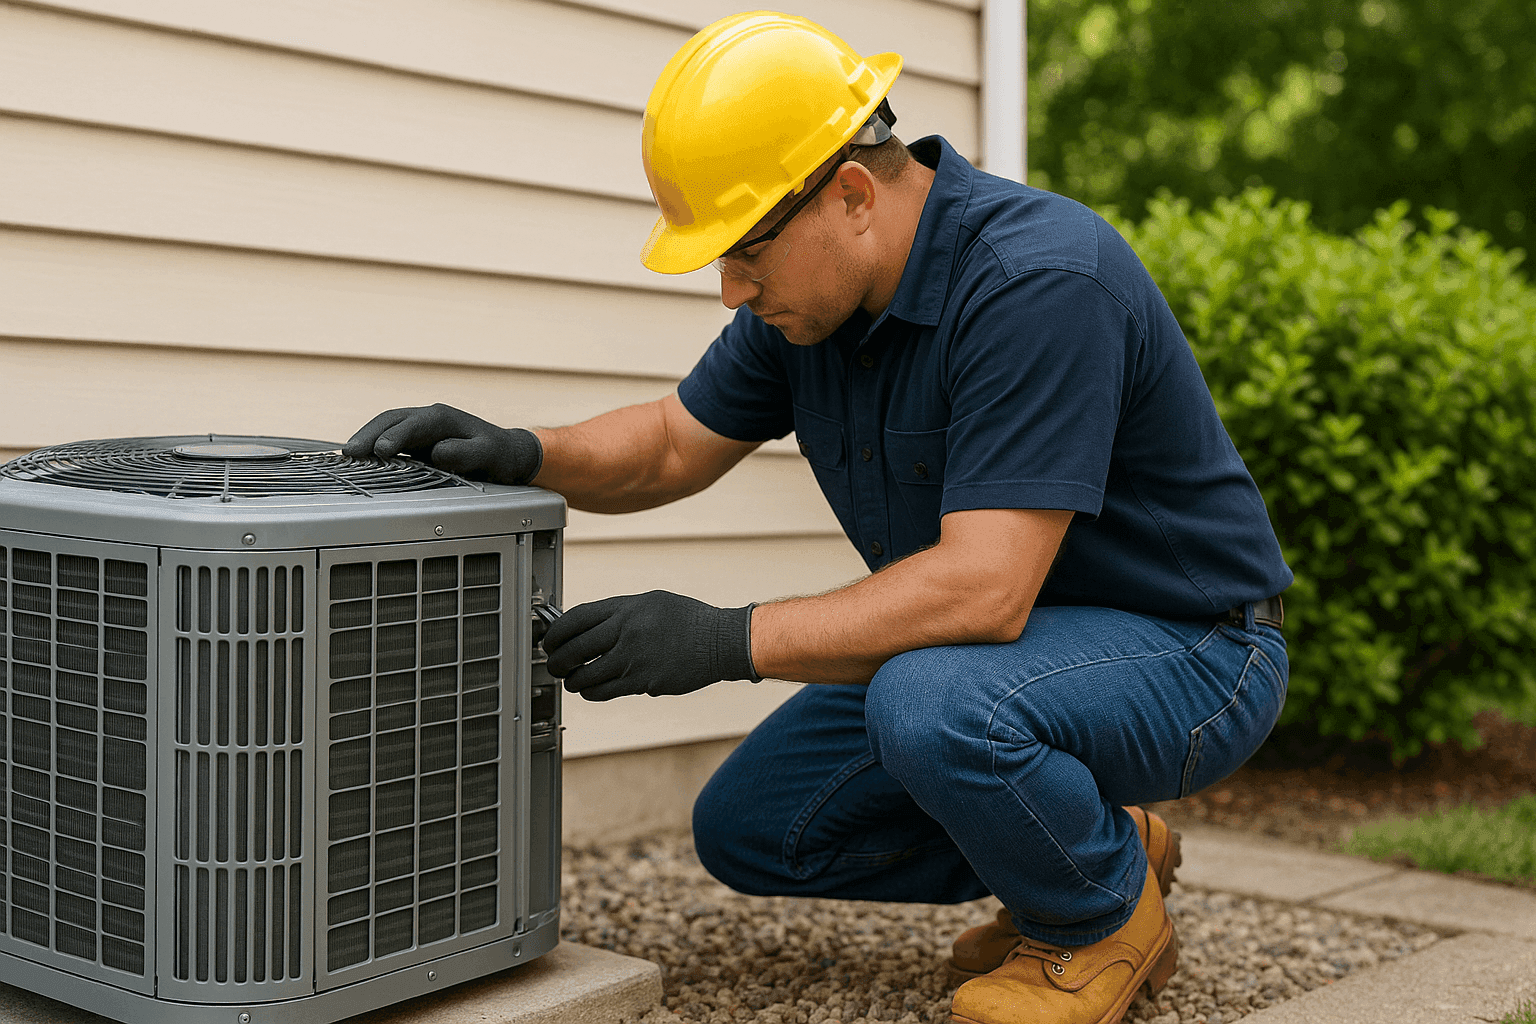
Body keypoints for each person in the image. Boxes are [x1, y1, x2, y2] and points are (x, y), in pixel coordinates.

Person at [344, 12, 1291, 1024]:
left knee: (928, 703)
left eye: (745, 252)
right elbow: (671, 441)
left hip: (1189, 648)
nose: (727, 290)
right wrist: (521, 452)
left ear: (848, 194)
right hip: (1000, 654)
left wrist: (719, 638)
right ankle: (1102, 844)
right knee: (756, 825)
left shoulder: (1036, 281)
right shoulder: (810, 307)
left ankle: (1097, 920)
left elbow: (983, 585)